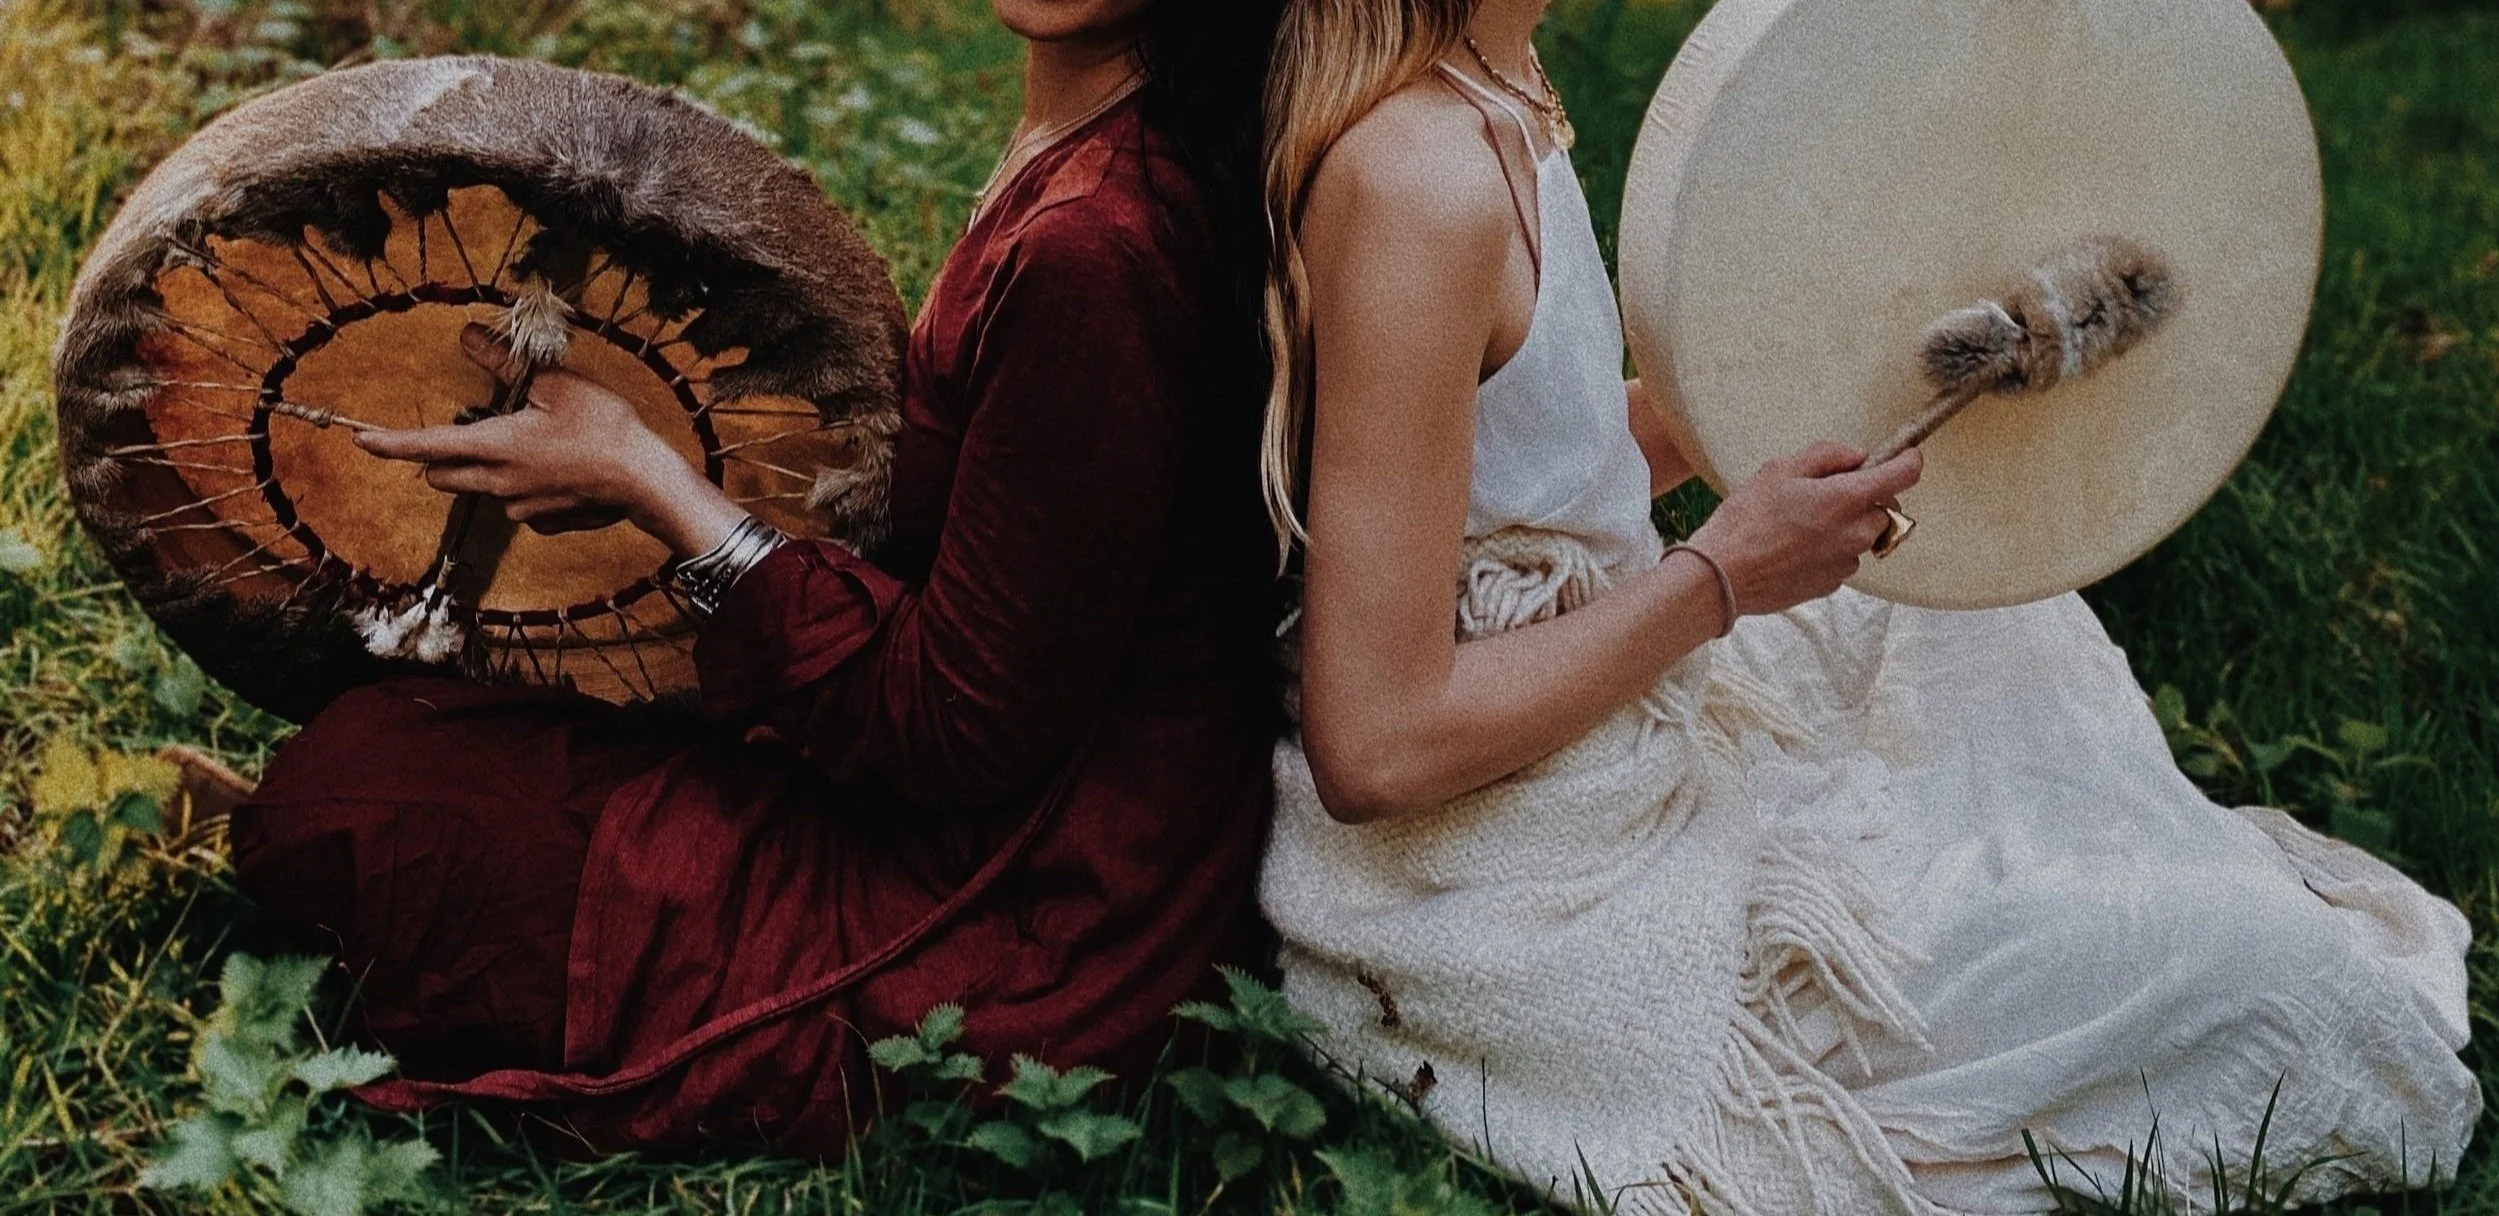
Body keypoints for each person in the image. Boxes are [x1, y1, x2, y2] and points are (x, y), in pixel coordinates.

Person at [1251, 0, 2480, 1211]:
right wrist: (1720, 579)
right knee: (2256, 974)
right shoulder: (1416, 179)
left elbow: (1531, 460)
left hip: (1594, 746)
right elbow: (1376, 740)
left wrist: (1821, 378)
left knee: (1973, 621)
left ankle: (2082, 900)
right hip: (1503, 873)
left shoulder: (1498, 83)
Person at [224, 0, 1286, 1155]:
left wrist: (652, 480)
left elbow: (961, 731)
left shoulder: (1100, 245)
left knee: (344, 809)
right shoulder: (1097, 144)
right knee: (403, 729)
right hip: (995, 813)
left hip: (1036, 915)